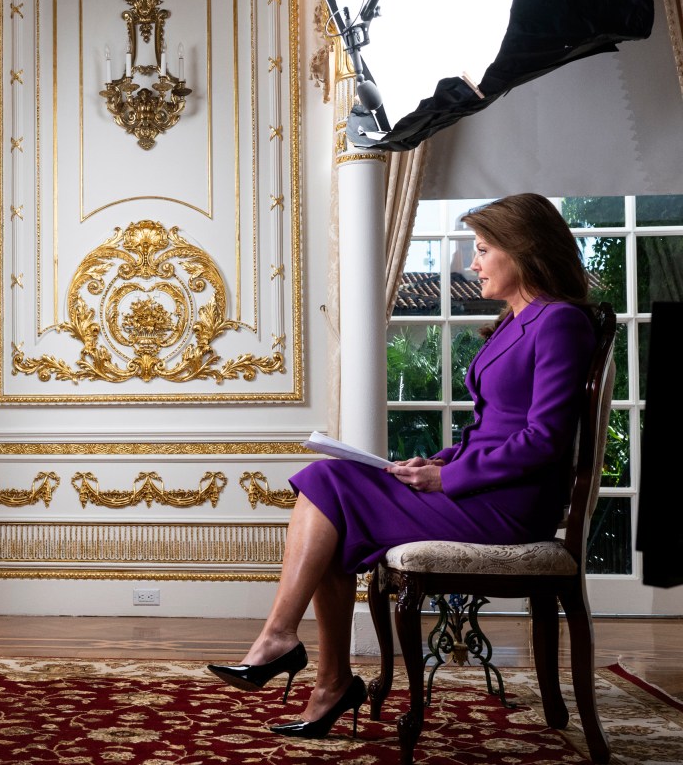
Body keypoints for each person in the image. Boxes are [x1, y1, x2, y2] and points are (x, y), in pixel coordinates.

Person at [207, 193, 598, 739]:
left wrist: (449, 478)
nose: (472, 263)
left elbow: (544, 441)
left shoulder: (559, 322)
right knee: (332, 508)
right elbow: (491, 429)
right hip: (479, 488)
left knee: (325, 482)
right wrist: (436, 460)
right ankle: (326, 681)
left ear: (523, 250)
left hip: (509, 507)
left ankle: (288, 647)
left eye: (483, 250)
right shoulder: (515, 320)